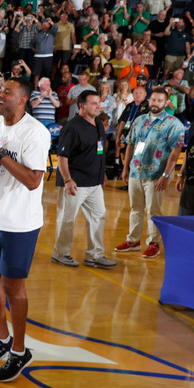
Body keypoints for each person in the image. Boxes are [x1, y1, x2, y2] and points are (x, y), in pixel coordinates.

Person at [0, 79, 50, 383]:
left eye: (6, 93)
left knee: (13, 288)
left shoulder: (36, 132)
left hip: (20, 223)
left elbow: (33, 180)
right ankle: (2, 337)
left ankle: (20, 351)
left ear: (22, 100)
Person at [114, 88, 184, 259]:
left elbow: (175, 152)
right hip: (136, 172)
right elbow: (130, 143)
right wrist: (125, 168)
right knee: (135, 209)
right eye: (153, 100)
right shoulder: (139, 120)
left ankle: (154, 243)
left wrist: (167, 175)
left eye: (160, 100)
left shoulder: (174, 124)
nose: (155, 103)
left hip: (156, 174)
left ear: (166, 103)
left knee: (154, 210)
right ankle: (133, 240)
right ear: (149, 100)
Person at [51, 91, 117, 269]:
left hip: (94, 183)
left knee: (99, 216)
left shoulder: (98, 124)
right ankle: (60, 254)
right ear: (82, 106)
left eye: (98, 103)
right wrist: (67, 180)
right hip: (75, 183)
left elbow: (100, 150)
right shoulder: (72, 127)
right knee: (67, 219)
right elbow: (62, 157)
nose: (98, 106)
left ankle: (95, 255)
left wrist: (101, 172)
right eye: (94, 103)